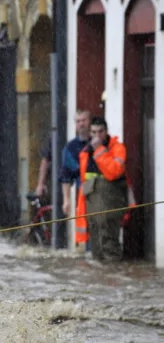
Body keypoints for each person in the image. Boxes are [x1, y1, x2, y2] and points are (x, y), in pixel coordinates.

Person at [79, 116, 127, 262]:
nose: (97, 136)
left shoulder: (117, 148)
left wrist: (99, 151)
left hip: (110, 203)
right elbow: (84, 182)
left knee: (109, 242)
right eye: (94, 132)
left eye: (100, 132)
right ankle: (99, 280)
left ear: (106, 131)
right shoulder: (85, 153)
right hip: (92, 204)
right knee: (96, 245)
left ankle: (114, 277)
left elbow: (113, 172)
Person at [59, 109, 92, 251]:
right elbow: (65, 176)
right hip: (83, 195)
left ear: (90, 121)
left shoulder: (100, 141)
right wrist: (66, 200)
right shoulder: (70, 148)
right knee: (85, 230)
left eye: (83, 120)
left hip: (101, 193)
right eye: (78, 121)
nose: (81, 124)